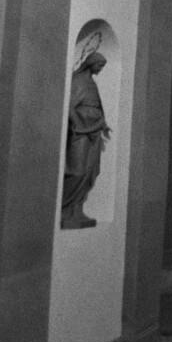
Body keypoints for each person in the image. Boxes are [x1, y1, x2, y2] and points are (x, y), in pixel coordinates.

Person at [62, 52, 111, 229]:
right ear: (91, 63)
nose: (101, 69)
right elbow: (70, 106)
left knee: (91, 170)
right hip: (81, 132)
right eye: (99, 65)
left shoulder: (92, 83)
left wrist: (102, 124)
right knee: (77, 170)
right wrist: (78, 124)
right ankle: (65, 208)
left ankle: (77, 208)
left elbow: (97, 107)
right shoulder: (78, 81)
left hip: (94, 131)